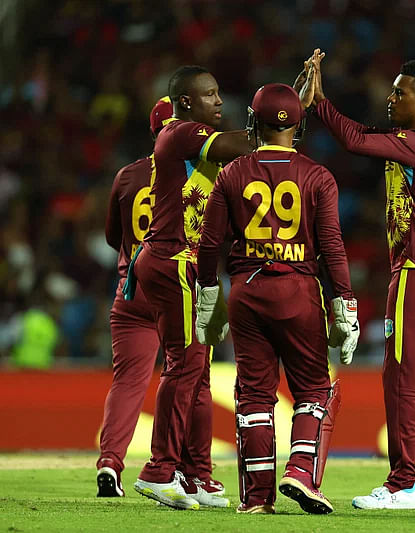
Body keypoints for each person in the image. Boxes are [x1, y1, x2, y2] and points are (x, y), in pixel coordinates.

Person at [308, 49, 415, 509]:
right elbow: (365, 134)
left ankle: (403, 483)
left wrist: (320, 101)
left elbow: (352, 140)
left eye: (400, 92)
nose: (390, 98)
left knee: (401, 377)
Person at [195, 78, 359, 515]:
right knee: (313, 388)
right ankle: (301, 470)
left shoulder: (232, 173)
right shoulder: (317, 176)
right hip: (298, 289)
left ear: (252, 122)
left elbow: (209, 245)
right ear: (299, 127)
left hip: (247, 291)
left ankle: (256, 499)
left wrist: (209, 296)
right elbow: (332, 246)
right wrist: (345, 303)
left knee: (253, 394)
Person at [130, 66, 255, 510]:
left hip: (186, 262)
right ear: (186, 103)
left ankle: (195, 474)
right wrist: (283, 110)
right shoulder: (181, 133)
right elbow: (242, 143)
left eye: (219, 93)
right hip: (172, 258)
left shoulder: (191, 144)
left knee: (198, 374)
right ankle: (159, 470)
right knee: (184, 366)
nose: (219, 101)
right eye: (209, 94)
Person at [96, 97, 170, 497]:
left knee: (127, 382)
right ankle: (176, 467)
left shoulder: (127, 175)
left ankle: (110, 461)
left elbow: (113, 236)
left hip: (133, 288)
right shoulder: (200, 173)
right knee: (186, 379)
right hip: (178, 289)